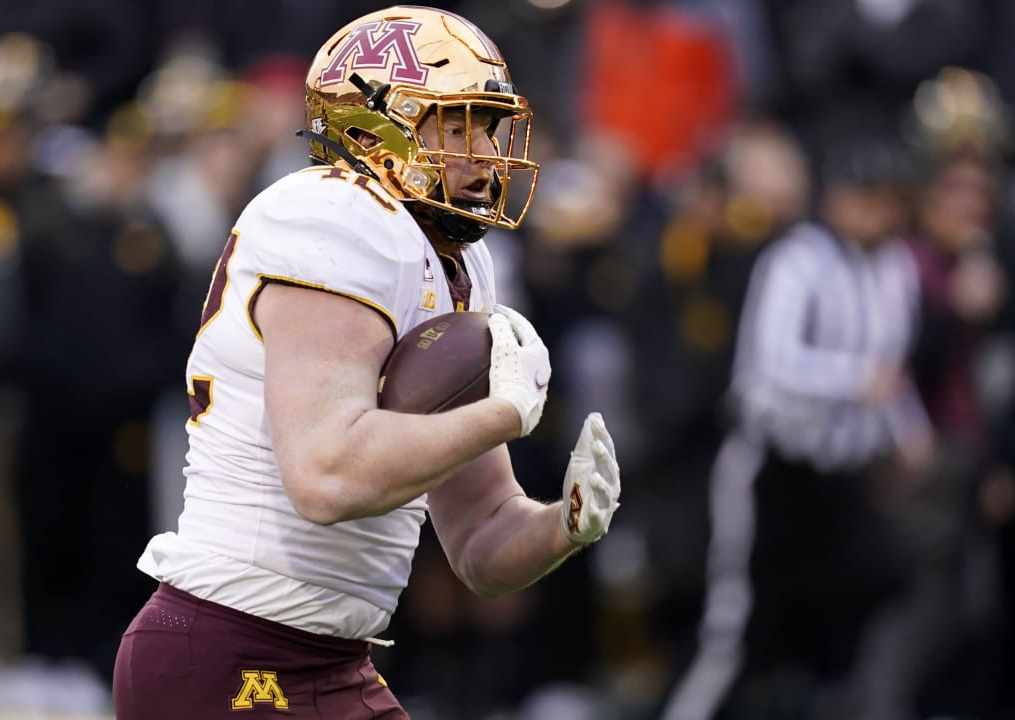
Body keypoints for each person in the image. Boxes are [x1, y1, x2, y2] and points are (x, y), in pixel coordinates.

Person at [111, 6, 622, 719]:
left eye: (487, 123)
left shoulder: (458, 261)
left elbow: (481, 540)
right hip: (233, 648)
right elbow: (325, 475)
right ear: (372, 129)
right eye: (455, 124)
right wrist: (502, 412)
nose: (483, 149)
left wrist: (563, 525)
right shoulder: (336, 218)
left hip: (331, 657)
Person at [662, 135, 934, 720]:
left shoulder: (895, 266)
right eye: (865, 197)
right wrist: (855, 378)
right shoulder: (795, 259)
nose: (876, 212)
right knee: (735, 625)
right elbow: (770, 366)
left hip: (846, 474)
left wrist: (909, 434)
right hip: (773, 465)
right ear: (835, 199)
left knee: (852, 613)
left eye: (887, 199)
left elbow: (895, 367)